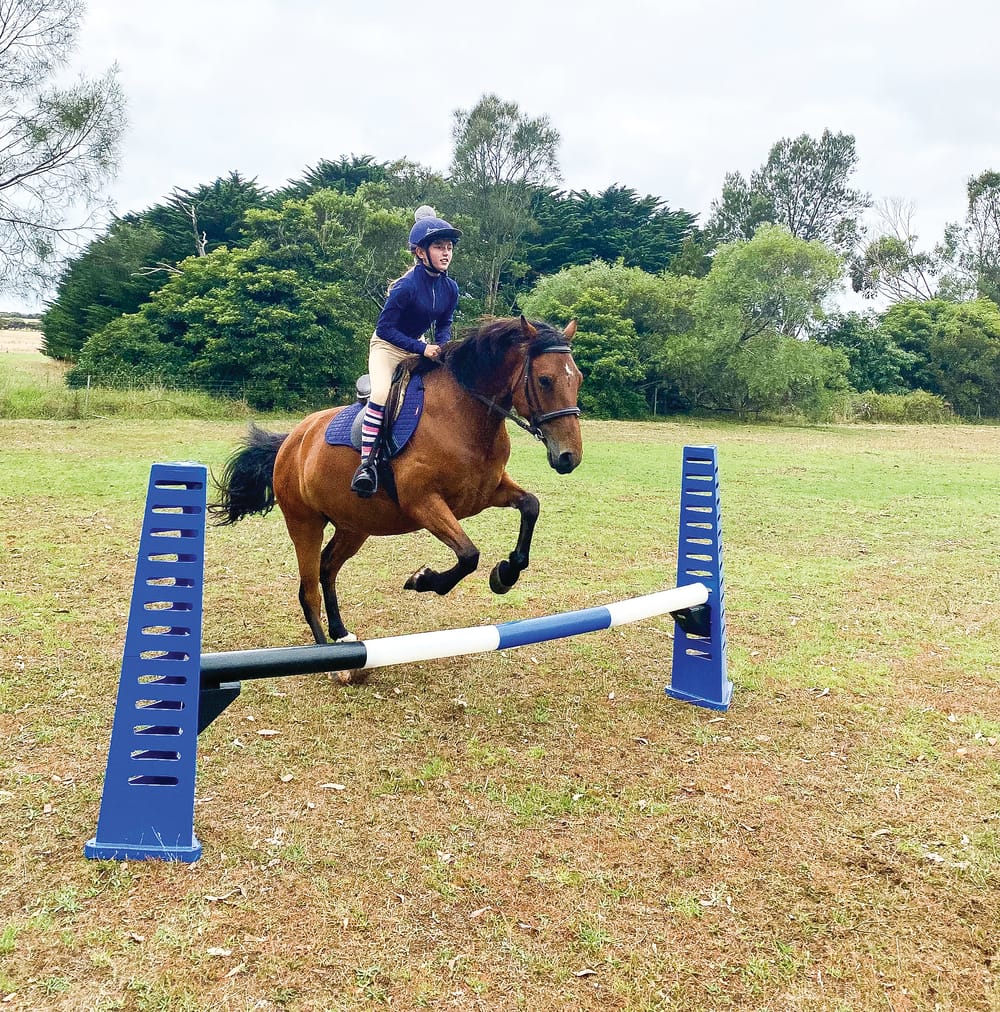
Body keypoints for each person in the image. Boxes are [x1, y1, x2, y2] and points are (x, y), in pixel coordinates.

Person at [350, 206, 462, 497]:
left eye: (449, 247)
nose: (446, 253)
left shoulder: (451, 288)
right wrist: (423, 348)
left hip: (420, 347)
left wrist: (443, 347)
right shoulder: (405, 287)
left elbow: (445, 323)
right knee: (380, 394)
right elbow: (385, 329)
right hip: (387, 348)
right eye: (439, 246)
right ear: (420, 252)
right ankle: (366, 465)